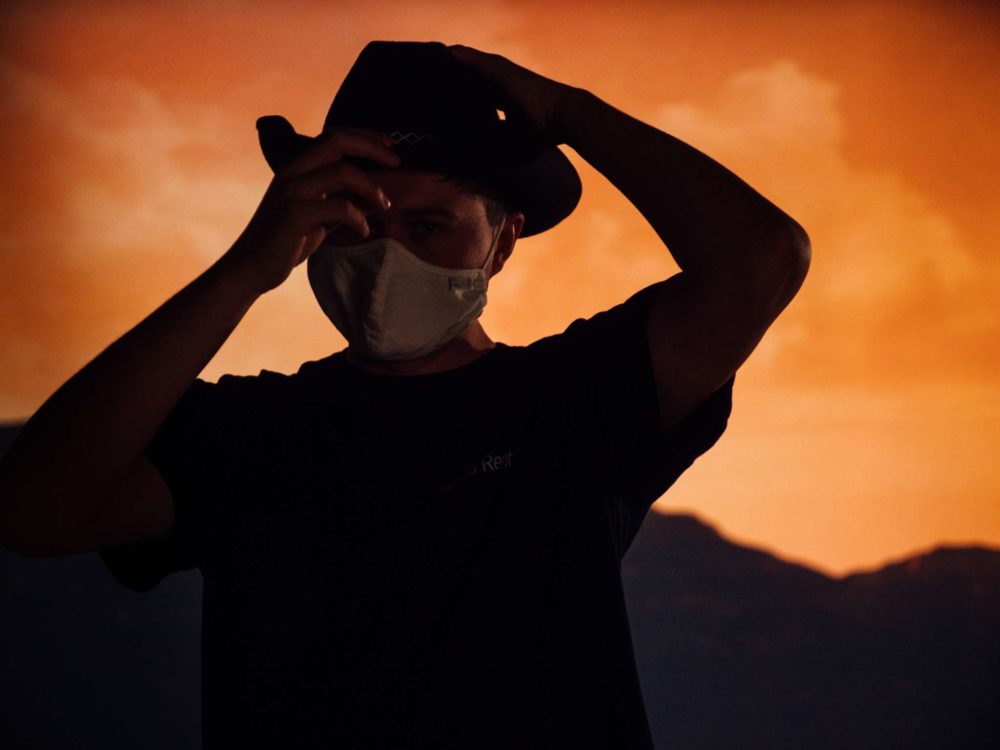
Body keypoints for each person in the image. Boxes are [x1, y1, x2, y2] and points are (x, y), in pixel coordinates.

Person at [0, 41, 810, 749]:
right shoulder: (249, 431)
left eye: (429, 228)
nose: (386, 256)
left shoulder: (575, 402)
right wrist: (245, 269)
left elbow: (762, 259)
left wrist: (567, 111)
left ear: (502, 241)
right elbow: (35, 511)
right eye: (356, 223)